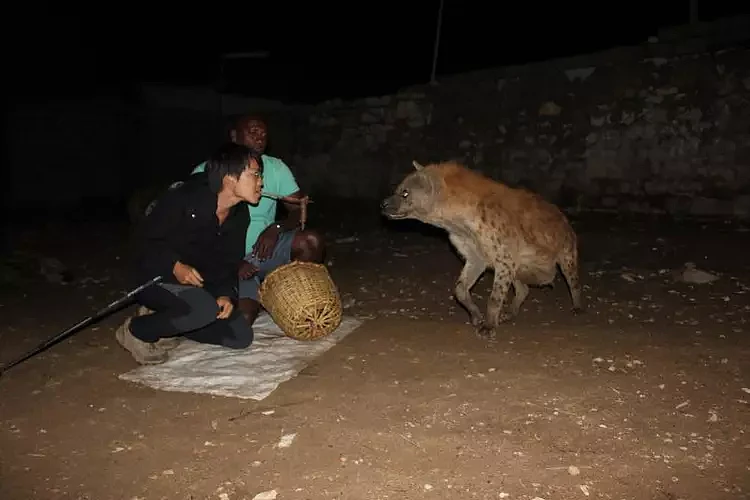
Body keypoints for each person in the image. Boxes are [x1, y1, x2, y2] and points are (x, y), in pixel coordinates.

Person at [115, 142, 265, 365]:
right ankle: (137, 330)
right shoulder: (184, 197)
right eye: (255, 174)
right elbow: (143, 241)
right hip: (155, 277)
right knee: (202, 309)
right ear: (230, 177)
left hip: (198, 284)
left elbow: (228, 262)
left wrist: (225, 294)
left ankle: (173, 321)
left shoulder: (240, 214)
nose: (261, 182)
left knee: (240, 336)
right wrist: (174, 265)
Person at [191, 114, 325, 328]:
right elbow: (194, 231)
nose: (260, 138)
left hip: (263, 252)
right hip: (227, 259)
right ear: (234, 136)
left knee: (309, 240)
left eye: (263, 133)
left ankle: (292, 293)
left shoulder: (275, 168)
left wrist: (277, 227)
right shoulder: (209, 172)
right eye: (253, 132)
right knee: (243, 320)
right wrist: (232, 262)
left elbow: (299, 209)